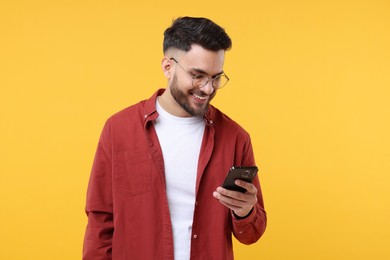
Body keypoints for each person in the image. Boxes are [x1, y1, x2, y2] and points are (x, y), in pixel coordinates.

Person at [83, 16, 267, 260]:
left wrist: (245, 212)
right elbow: (101, 221)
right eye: (197, 75)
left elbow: (252, 233)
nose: (208, 88)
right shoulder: (119, 129)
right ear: (168, 67)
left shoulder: (235, 138)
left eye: (216, 77)